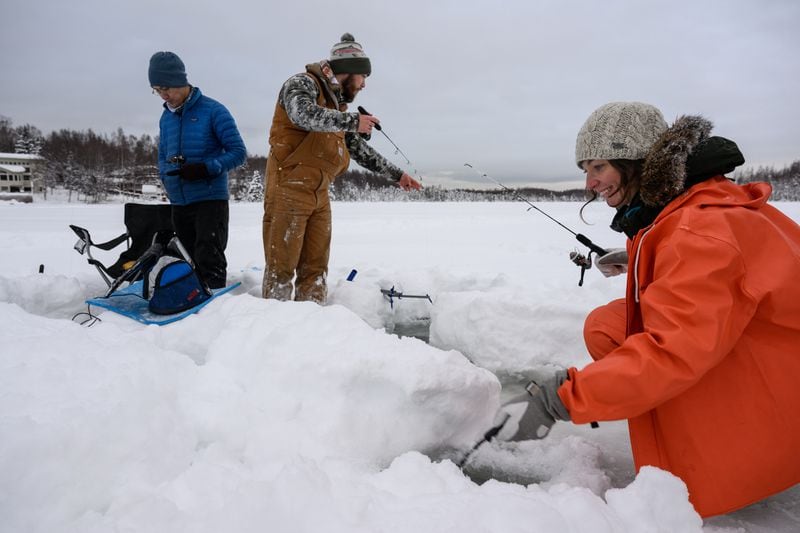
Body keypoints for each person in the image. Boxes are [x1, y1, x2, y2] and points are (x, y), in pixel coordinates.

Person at [494, 102, 800, 518]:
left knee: (660, 357)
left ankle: (710, 465)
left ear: (633, 159)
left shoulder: (700, 231)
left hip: (781, 412)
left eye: (598, 166)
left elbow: (671, 349)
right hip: (780, 364)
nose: (590, 182)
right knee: (607, 326)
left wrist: (561, 398)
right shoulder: (693, 206)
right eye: (586, 168)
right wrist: (640, 255)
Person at [262, 33, 422, 304]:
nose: (364, 85)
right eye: (363, 78)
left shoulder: (338, 107)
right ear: (350, 72)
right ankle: (274, 327)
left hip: (320, 194)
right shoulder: (302, 83)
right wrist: (352, 120)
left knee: (316, 269)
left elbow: (359, 150)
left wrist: (398, 175)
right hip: (289, 189)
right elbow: (303, 113)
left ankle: (314, 322)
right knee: (281, 269)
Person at [149, 51, 246, 289]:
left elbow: (238, 152)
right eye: (157, 89)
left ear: (180, 81)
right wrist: (165, 177)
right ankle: (190, 302)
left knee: (208, 257)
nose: (163, 95)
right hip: (179, 201)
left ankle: (213, 309)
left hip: (209, 200)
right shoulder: (166, 117)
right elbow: (162, 154)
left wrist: (206, 168)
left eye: (166, 88)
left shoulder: (214, 110)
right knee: (185, 258)